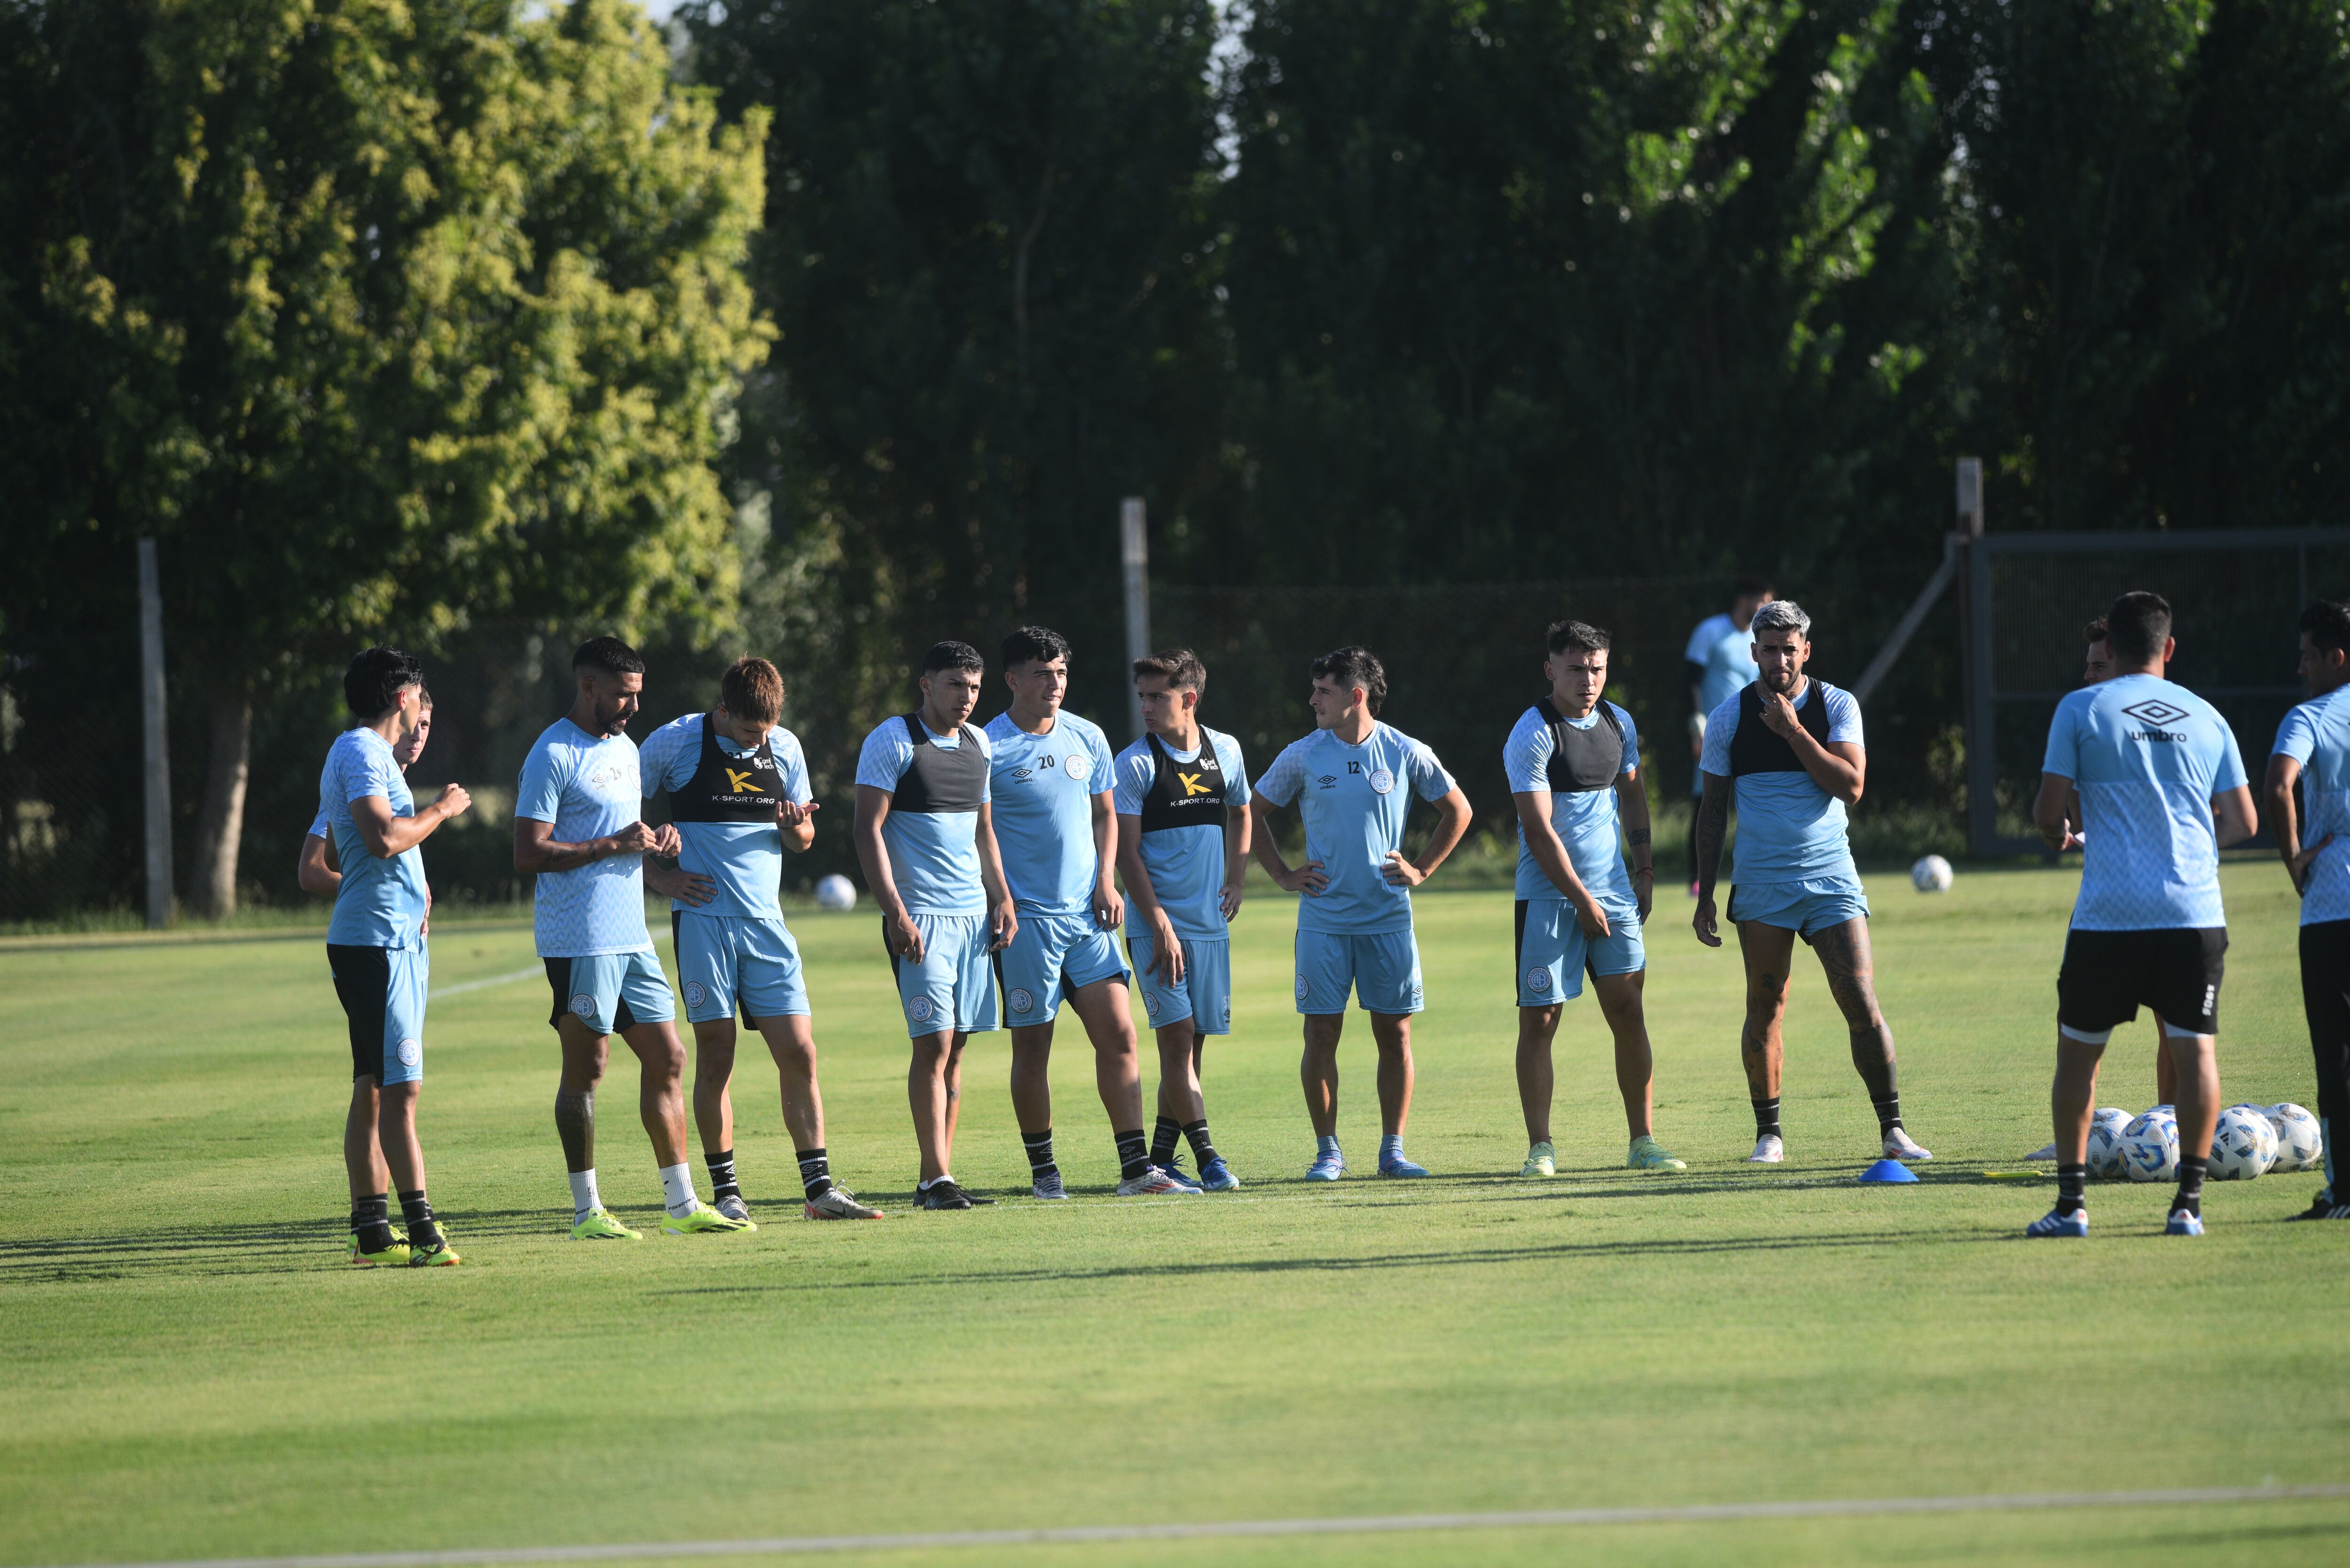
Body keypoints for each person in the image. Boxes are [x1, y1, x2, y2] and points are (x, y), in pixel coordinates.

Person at [2029, 591, 2256, 1237]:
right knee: (2196, 1057)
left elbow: (2050, 815)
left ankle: (2071, 1207)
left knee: (2078, 1062)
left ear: (2113, 648)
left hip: (2109, 917)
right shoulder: (2208, 716)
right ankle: (2189, 1204)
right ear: (2169, 647)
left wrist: (2057, 836)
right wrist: (2184, 844)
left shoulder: (2081, 708)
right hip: (2194, 911)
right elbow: (2244, 820)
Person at [515, 637, 748, 1240]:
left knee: (669, 1057)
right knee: (587, 1068)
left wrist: (655, 842)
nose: (632, 708)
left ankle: (681, 1204)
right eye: (623, 694)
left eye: (637, 695)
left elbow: (625, 834)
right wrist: (612, 845)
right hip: (579, 938)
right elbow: (527, 851)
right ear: (588, 686)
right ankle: (585, 1210)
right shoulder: (552, 753)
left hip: (631, 935)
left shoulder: (623, 748)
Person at [639, 657, 882, 1223]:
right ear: (722, 711)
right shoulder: (674, 742)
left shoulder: (785, 747)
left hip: (767, 925)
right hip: (703, 922)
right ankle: (726, 1192)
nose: (758, 741)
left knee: (800, 1052)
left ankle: (820, 1192)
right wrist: (661, 875)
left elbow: (803, 839)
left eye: (766, 731)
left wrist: (793, 824)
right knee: (716, 1056)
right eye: (749, 732)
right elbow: (619, 812)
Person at [1692, 600, 1930, 1165]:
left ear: (1806, 650)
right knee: (1765, 1007)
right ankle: (1768, 1136)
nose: (1778, 659)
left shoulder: (1835, 705)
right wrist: (1704, 894)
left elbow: (1849, 786)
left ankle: (1892, 1129)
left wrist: (1793, 730)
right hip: (1761, 886)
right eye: (1768, 649)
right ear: (1753, 652)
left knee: (1860, 1000)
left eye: (1788, 648)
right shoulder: (1727, 717)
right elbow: (1711, 813)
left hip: (1830, 880)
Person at [1249, 647, 1473, 1180]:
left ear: (1356, 696)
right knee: (1320, 1035)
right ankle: (1327, 1151)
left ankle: (1392, 1150)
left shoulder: (1403, 750)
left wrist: (1420, 869)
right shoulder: (1303, 754)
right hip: (1324, 922)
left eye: (1323, 691)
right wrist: (1282, 874)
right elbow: (1251, 812)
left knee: (1394, 1036)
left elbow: (1457, 810)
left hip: (1387, 920)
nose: (1312, 700)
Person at [984, 627, 1188, 1199]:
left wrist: (1105, 881)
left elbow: (1106, 817)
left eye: (1062, 672)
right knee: (1033, 1046)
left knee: (1121, 1035)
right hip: (1026, 924)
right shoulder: (987, 744)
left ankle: (1135, 1170)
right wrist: (1000, 895)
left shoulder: (1088, 736)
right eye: (1043, 673)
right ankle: (1044, 1172)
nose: (1055, 683)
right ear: (1013, 680)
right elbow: (980, 833)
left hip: (1087, 918)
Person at [1507, 621, 1684, 1177]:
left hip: (1612, 894)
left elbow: (1632, 794)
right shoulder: (1532, 733)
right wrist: (1581, 898)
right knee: (1539, 1022)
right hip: (1548, 898)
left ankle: (1643, 1142)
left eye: (1598, 668)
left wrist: (1644, 867)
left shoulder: (1617, 722)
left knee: (1629, 1013)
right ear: (1550, 669)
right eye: (1577, 668)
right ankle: (1541, 1148)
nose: (1588, 680)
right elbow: (1538, 832)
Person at [853, 640, 1019, 1210]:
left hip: (972, 920)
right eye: (954, 685)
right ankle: (934, 1179)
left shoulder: (980, 744)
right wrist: (896, 913)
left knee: (958, 1050)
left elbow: (984, 832)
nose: (966, 698)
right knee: (933, 1045)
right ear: (926, 684)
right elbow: (866, 831)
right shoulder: (892, 739)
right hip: (919, 919)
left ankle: (939, 1176)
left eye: (973, 687)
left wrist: (1002, 897)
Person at [318, 649, 471, 1267]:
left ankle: (372, 1231)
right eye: (419, 696)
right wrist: (441, 809)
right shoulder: (359, 751)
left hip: (391, 940)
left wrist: (417, 885)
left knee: (377, 1088)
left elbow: (356, 844)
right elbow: (380, 838)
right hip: (375, 944)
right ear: (404, 698)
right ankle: (423, 1232)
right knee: (400, 1090)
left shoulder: (371, 756)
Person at [2021, 617, 2174, 1159]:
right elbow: (2079, 813)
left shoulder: (2152, 729)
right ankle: (2077, 1138)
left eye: (2097, 664)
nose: (2086, 674)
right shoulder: (2085, 724)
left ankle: (2169, 1134)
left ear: (2125, 662)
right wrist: (2075, 833)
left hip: (2161, 899)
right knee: (2074, 1023)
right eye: (2086, 664)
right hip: (2103, 899)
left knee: (2171, 1025)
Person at [1114, 649, 1253, 1191]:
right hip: (1156, 929)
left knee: (1191, 1047)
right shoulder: (1135, 763)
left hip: (1208, 927)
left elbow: (1242, 810)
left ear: (1188, 699)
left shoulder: (1228, 751)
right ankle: (1209, 1158)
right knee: (1175, 1043)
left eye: (1157, 697)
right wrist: (1158, 923)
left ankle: (1160, 1158)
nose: (1146, 706)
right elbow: (1126, 855)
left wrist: (1237, 875)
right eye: (1142, 696)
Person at [2264, 600, 2350, 1220]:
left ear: (2335, 657)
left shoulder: (2313, 715)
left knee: (2336, 1053)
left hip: (2334, 902)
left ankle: (2343, 1192)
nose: (2300, 668)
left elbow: (2277, 784)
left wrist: (2294, 857)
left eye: (2307, 656)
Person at [1684, 577, 1774, 894]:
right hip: (1713, 735)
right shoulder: (1710, 632)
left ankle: (1759, 869)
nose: (1765, 606)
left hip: (1752, 733)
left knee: (1757, 800)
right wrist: (1698, 728)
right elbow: (1691, 682)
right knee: (1707, 802)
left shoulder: (1759, 639)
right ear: (1745, 600)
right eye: (1762, 600)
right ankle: (1697, 879)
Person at [301, 689, 434, 897]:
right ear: (398, 716)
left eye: (424, 725)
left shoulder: (394, 784)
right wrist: (397, 892)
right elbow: (312, 870)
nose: (417, 735)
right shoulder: (362, 777)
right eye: (412, 723)